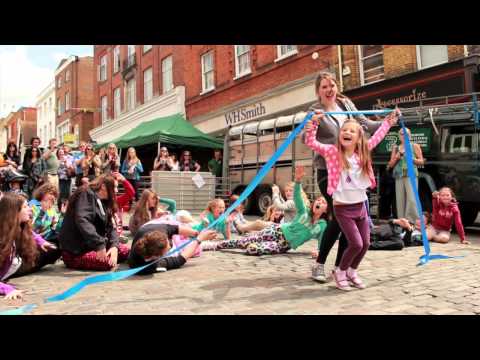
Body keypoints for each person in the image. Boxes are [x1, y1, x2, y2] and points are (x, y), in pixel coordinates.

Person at [302, 71, 389, 283]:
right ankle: (320, 264)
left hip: (351, 172)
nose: (329, 89)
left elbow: (366, 125)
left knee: (347, 221)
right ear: (318, 91)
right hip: (329, 171)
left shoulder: (347, 105)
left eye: (332, 84)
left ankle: (341, 267)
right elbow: (306, 138)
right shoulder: (315, 111)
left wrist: (388, 121)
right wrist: (311, 123)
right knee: (339, 217)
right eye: (324, 86)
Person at [216, 166, 328, 256]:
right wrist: (298, 181)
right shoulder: (304, 211)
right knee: (244, 241)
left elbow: (323, 240)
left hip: (285, 244)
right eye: (318, 200)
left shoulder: (321, 225)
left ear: (326, 210)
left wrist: (319, 251)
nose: (319, 202)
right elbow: (297, 197)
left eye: (323, 202)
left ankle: (250, 236)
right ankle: (215, 245)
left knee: (252, 249)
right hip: (278, 230)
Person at [58, 175, 130, 271]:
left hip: (93, 247)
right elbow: (82, 220)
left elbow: (110, 227)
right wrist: (99, 244)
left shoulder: (104, 202)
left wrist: (114, 246)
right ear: (104, 186)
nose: (116, 191)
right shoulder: (86, 193)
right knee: (108, 263)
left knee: (128, 252)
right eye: (115, 187)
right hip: (76, 252)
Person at [0, 193, 60, 300]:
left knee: (55, 245)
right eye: (25, 207)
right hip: (16, 266)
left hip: (14, 265)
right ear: (14, 212)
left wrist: (41, 242)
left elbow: (32, 233)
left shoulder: (19, 226)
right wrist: (7, 289)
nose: (30, 209)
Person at [128, 221, 216, 275]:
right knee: (182, 248)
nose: (170, 246)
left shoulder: (159, 229)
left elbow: (174, 229)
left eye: (168, 242)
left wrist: (196, 233)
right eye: (168, 249)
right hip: (143, 260)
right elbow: (180, 260)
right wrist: (199, 239)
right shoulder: (148, 266)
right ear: (158, 256)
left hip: (149, 225)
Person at [387, 127, 425, 222]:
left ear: (410, 135)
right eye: (402, 134)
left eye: (407, 134)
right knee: (400, 200)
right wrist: (397, 157)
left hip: (411, 174)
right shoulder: (396, 148)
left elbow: (421, 161)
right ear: (399, 136)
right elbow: (390, 164)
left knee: (412, 199)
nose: (404, 136)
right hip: (399, 175)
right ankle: (402, 222)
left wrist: (412, 159)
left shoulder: (414, 146)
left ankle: (412, 222)